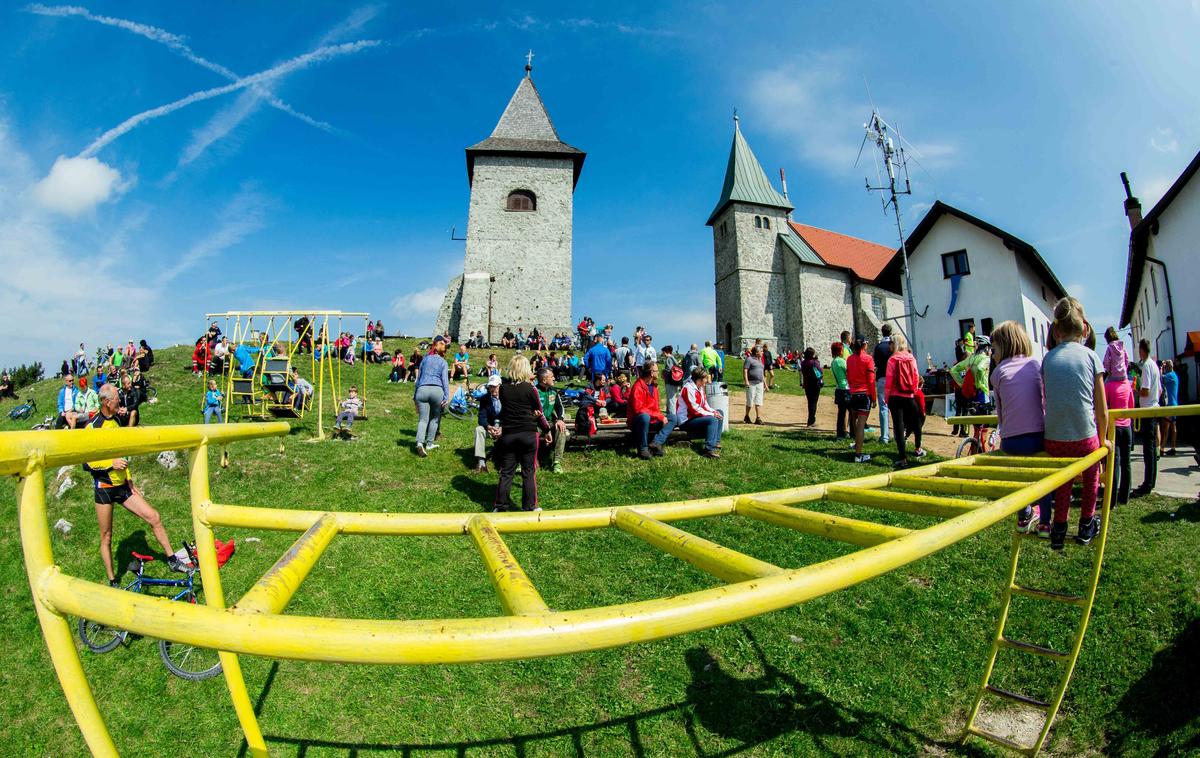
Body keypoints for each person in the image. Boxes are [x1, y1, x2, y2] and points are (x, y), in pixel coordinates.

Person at [85, 384, 194, 584]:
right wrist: (110, 464)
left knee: (154, 517)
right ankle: (113, 580)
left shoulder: (117, 420)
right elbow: (86, 462)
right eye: (117, 398)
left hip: (122, 486)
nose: (120, 400)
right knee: (106, 536)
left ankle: (172, 560)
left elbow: (122, 451)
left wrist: (129, 478)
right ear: (106, 402)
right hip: (105, 488)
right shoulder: (94, 425)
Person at [1042, 298, 1109, 549]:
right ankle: (1086, 523)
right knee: (1092, 472)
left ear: (1056, 330)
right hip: (1084, 438)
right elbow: (1101, 409)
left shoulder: (1048, 359)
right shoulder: (1091, 356)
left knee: (1063, 478)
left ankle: (1059, 527)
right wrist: (1103, 443)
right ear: (1085, 329)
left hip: (1054, 439)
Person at [988, 321, 1052, 533]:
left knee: (1016, 476)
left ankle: (1024, 513)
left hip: (1012, 440)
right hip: (1037, 435)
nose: (992, 354)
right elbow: (1042, 400)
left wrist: (1004, 433)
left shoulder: (997, 373)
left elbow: (1001, 411)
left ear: (1004, 346)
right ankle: (1044, 523)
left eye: (994, 349)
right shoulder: (1034, 365)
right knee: (1042, 478)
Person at [493, 355, 550, 512]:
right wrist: (546, 430)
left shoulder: (503, 389)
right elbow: (539, 411)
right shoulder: (530, 388)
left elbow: (506, 409)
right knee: (528, 471)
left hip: (509, 434)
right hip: (528, 433)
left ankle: (500, 506)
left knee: (506, 472)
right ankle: (530, 506)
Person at [884, 334, 926, 470]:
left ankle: (903, 458)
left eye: (891, 343)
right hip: (909, 395)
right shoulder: (910, 357)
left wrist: (886, 397)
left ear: (895, 344)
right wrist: (913, 390)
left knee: (899, 427)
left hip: (895, 397)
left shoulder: (892, 360)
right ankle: (918, 448)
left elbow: (889, 381)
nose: (889, 345)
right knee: (916, 422)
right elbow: (915, 375)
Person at [1132, 339, 1160, 498]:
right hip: (1153, 407)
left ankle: (1148, 483)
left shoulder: (1148, 366)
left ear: (1142, 350)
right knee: (1151, 448)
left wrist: (1135, 390)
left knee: (1148, 450)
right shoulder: (1154, 365)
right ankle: (1151, 481)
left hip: (1148, 409)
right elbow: (1159, 390)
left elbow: (1145, 391)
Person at [1104, 364, 1135, 506]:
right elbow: (1132, 405)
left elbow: (1104, 406)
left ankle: (1112, 499)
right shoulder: (1127, 385)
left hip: (1114, 427)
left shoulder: (1109, 385)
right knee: (1126, 462)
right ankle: (1125, 496)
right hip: (1127, 427)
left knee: (1114, 464)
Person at [675, 367, 723, 458]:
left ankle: (716, 441)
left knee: (720, 412)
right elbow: (694, 409)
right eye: (705, 378)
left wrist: (714, 412)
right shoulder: (688, 389)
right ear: (699, 379)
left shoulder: (700, 387)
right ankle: (708, 450)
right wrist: (712, 414)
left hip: (694, 417)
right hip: (686, 420)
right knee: (712, 420)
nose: (707, 380)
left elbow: (705, 405)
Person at [413, 338, 450, 457]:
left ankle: (419, 442)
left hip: (422, 389)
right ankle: (429, 443)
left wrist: (415, 396)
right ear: (443, 351)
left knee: (423, 419)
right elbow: (445, 380)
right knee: (435, 418)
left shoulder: (425, 359)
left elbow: (418, 378)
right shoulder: (443, 362)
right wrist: (446, 396)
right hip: (437, 390)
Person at [628, 361, 673, 459]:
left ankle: (656, 443)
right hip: (638, 421)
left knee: (673, 418)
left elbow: (655, 407)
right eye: (657, 371)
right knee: (645, 416)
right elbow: (638, 409)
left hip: (652, 419)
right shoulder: (638, 387)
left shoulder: (654, 386)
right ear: (651, 373)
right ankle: (643, 449)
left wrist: (661, 417)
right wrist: (659, 416)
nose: (658, 373)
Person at [846, 337, 876, 463]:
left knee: (855, 421)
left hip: (853, 393)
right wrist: (874, 398)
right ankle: (858, 454)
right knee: (861, 425)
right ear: (864, 345)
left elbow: (849, 376)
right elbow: (870, 380)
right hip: (864, 394)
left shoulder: (849, 359)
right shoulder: (868, 359)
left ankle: (855, 444)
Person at [536, 368, 569, 473]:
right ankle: (524, 461)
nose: (554, 378)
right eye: (552, 376)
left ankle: (557, 462)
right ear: (544, 380)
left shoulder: (553, 391)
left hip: (550, 422)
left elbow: (560, 407)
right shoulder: (534, 391)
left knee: (561, 428)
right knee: (530, 433)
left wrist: (560, 419)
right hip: (536, 423)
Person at [474, 374, 503, 473]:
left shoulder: (507, 398)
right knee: (479, 430)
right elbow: (481, 417)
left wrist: (502, 428)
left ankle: (505, 462)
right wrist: (488, 427)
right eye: (490, 386)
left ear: (500, 386)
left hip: (504, 428)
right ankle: (481, 463)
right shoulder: (485, 399)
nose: (492, 389)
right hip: (490, 428)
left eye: (495, 386)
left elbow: (511, 416)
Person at [872, 324, 894, 445]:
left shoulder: (878, 347)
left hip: (881, 377)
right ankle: (897, 434)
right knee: (895, 407)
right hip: (892, 378)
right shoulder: (893, 346)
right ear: (890, 333)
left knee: (883, 407)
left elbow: (876, 362)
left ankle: (884, 436)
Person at [830, 342, 850, 439]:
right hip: (845, 388)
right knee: (851, 411)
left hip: (839, 388)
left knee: (841, 413)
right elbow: (848, 372)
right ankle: (852, 433)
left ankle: (840, 433)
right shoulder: (841, 361)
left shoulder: (833, 362)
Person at [800, 347, 822, 427]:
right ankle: (811, 420)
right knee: (814, 402)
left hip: (807, 384)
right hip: (815, 384)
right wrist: (816, 361)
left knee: (810, 402)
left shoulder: (803, 362)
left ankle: (811, 418)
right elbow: (820, 371)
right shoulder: (814, 363)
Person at [742, 345, 765, 424]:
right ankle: (747, 416)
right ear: (756, 352)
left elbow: (762, 373)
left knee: (759, 401)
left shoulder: (760, 360)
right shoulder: (749, 359)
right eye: (761, 351)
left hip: (760, 383)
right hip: (751, 383)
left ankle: (758, 418)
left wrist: (765, 384)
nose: (762, 352)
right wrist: (746, 381)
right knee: (750, 401)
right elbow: (745, 370)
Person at [1160, 359, 1179, 455]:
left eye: (1166, 366)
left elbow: (1160, 378)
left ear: (1169, 367)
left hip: (1170, 405)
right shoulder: (1175, 375)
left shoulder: (1169, 375)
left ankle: (1162, 448)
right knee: (1173, 426)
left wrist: (1161, 368)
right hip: (1175, 403)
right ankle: (1173, 447)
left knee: (1166, 427)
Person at [661, 345, 684, 412]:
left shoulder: (669, 359)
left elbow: (669, 370)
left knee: (671, 399)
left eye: (663, 352)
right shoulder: (673, 358)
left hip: (670, 381)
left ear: (666, 352)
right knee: (673, 398)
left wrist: (663, 372)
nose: (662, 354)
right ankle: (671, 413)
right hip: (675, 381)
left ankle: (672, 415)